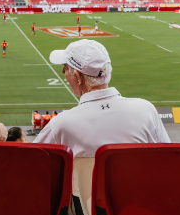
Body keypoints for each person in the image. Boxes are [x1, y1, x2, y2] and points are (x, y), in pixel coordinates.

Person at [34, 39, 170, 154]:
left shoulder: (60, 125)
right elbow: (167, 159)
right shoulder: (146, 110)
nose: (63, 72)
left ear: (78, 75)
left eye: (65, 68)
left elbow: (28, 162)